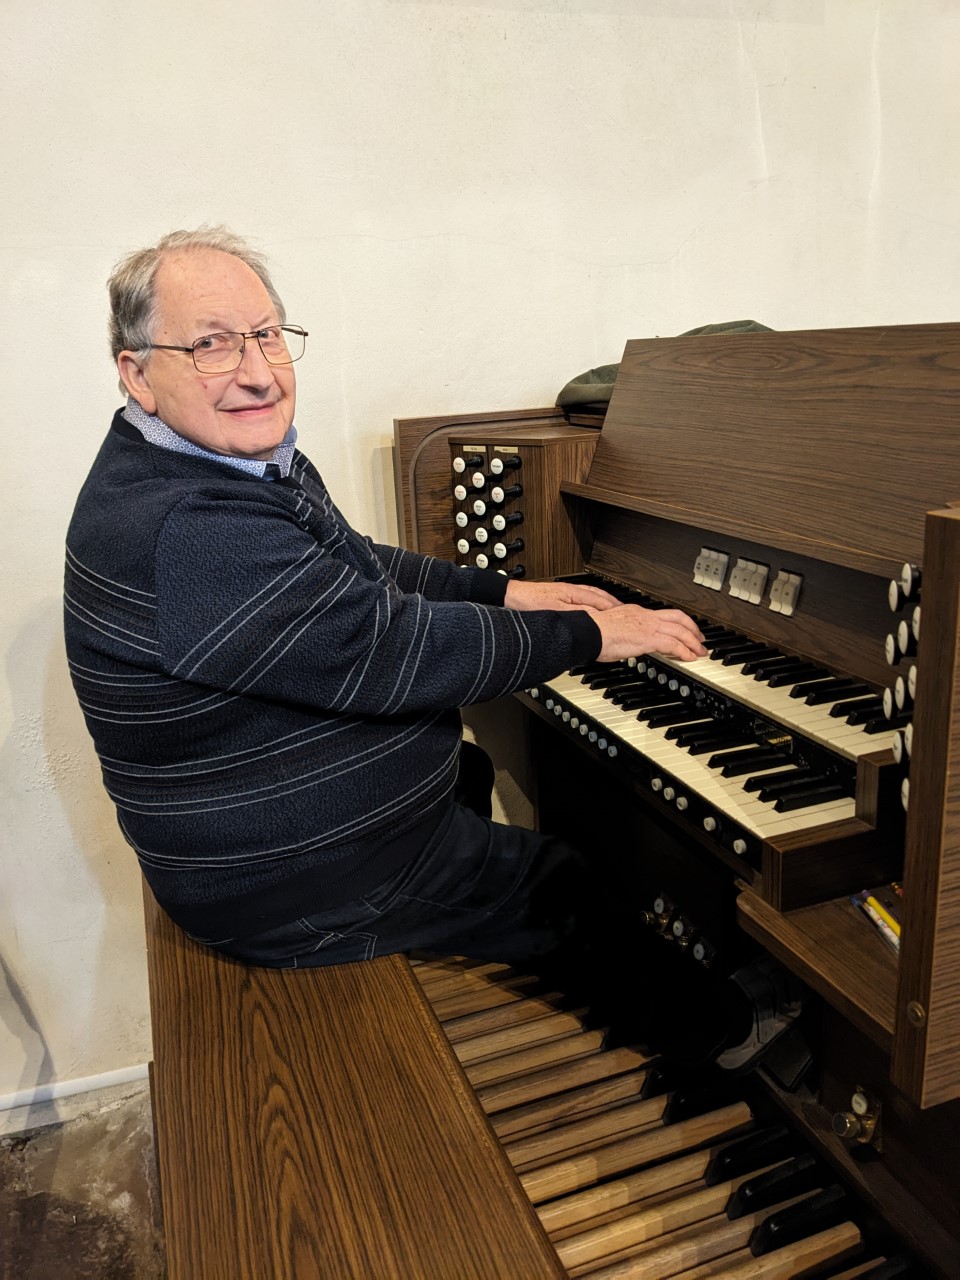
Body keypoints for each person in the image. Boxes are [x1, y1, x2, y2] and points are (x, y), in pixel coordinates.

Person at [64, 227, 705, 1004]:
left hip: (274, 840)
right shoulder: (194, 525)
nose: (258, 373)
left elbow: (350, 561)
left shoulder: (207, 464)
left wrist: (507, 592)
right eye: (212, 345)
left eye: (266, 335)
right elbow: (389, 650)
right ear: (137, 374)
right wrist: (591, 634)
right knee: (557, 881)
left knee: (468, 770)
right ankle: (731, 1034)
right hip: (283, 883)